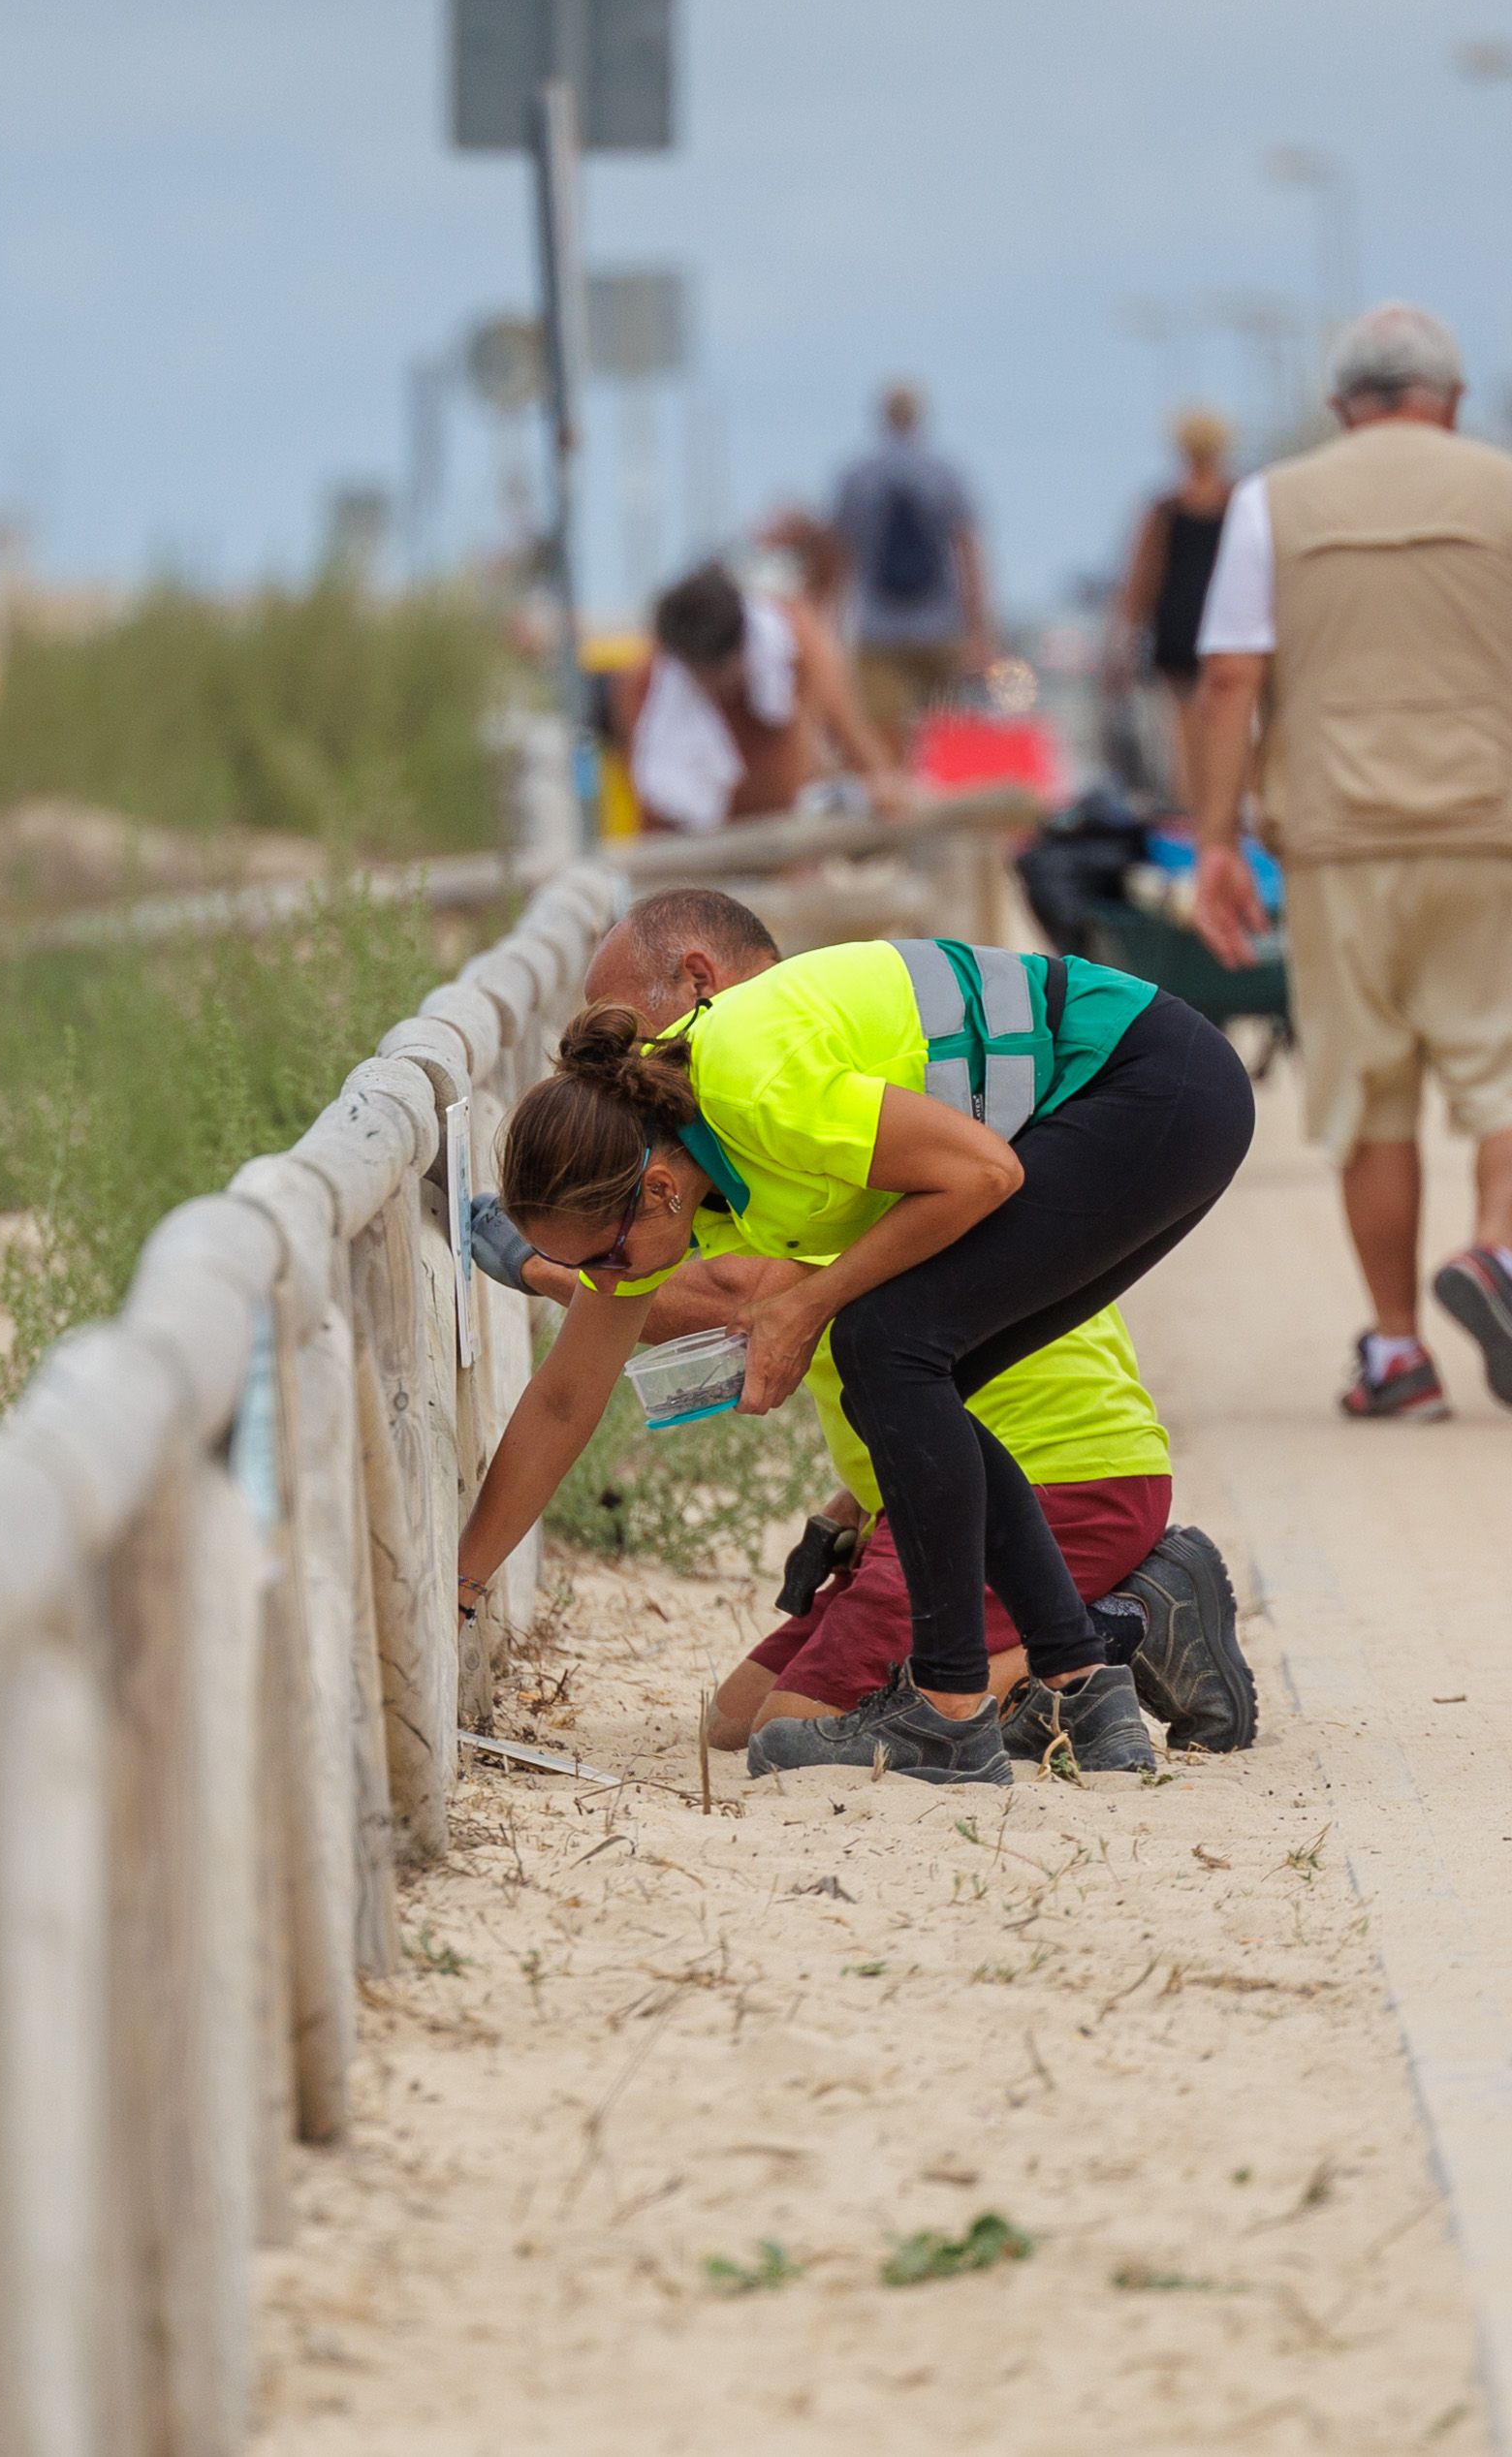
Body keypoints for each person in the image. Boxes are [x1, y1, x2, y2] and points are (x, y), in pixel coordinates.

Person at [452, 887, 1258, 1784]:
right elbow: (566, 1396)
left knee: (886, 1342)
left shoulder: (749, 1080)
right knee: (898, 1356)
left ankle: (957, 1710)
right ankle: (1078, 1677)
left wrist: (801, 1306)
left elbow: (984, 1171)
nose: (607, 1284)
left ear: (657, 1194)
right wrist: (461, 1584)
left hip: (1152, 1080)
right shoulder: (676, 1170)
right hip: (1146, 1095)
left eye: (603, 1260)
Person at [1181, 302, 1512, 1420]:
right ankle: (1498, 1252)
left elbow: (1228, 678)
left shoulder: (1275, 501)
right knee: (1503, 1070)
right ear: (1451, 401)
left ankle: (1395, 1355)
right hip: (1493, 829)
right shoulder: (1502, 487)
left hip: (1333, 843)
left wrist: (1217, 845)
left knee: (1369, 1094)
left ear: (1338, 408)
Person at [609, 561, 898, 832]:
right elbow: (656, 791)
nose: (716, 688)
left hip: (784, 824)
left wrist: (880, 780)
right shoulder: (647, 686)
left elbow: (846, 724)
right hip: (698, 836)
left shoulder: (790, 643)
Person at [830, 382, 994, 764]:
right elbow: (969, 554)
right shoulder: (946, 473)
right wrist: (980, 631)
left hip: (877, 627)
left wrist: (835, 623)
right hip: (942, 626)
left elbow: (839, 555)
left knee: (886, 739)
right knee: (948, 739)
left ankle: (901, 805)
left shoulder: (856, 476)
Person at [1106, 409, 1237, 800]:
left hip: (1177, 627)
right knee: (1228, 723)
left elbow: (1141, 577)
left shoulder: (1165, 508)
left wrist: (1125, 637)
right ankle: (1226, 808)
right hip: (1228, 626)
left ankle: (1195, 816)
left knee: (1184, 732)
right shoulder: (1241, 501)